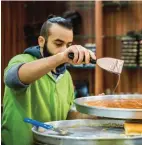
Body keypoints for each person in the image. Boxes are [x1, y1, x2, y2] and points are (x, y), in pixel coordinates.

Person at [1, 15, 96, 145]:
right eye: (58, 43)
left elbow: (65, 116)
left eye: (68, 45)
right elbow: (12, 79)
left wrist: (93, 113)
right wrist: (61, 57)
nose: (64, 49)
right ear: (41, 41)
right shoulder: (22, 60)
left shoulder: (66, 76)